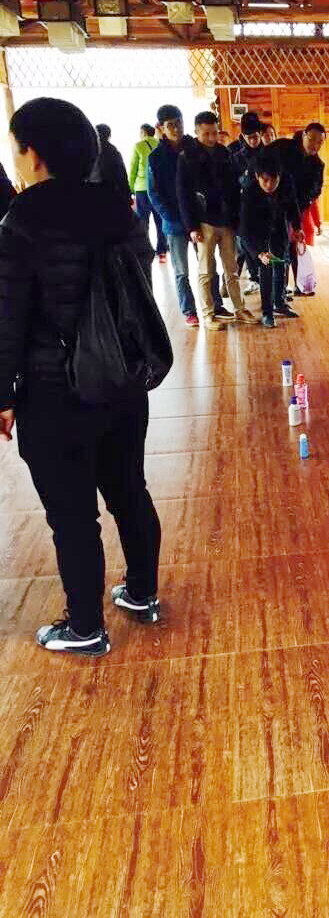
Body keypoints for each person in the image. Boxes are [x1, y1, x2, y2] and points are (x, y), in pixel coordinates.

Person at [0, 97, 162, 656]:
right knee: (129, 491)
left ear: (34, 153)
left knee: (72, 514)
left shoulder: (21, 220)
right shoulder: (116, 209)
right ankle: (141, 594)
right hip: (122, 381)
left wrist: (3, 394)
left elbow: (8, 316)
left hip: (54, 391)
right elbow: (139, 291)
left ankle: (85, 627)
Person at [177, 110, 253, 331]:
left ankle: (239, 308)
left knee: (232, 269)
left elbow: (234, 188)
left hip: (226, 220)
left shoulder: (224, 153)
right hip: (203, 222)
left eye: (215, 133)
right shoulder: (186, 157)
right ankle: (208, 314)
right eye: (206, 134)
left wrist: (236, 219)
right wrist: (191, 227)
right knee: (206, 271)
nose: (212, 138)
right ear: (196, 132)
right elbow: (183, 194)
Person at [147, 104, 201, 327]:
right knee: (181, 271)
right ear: (160, 128)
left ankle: (214, 305)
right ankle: (189, 311)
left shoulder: (195, 148)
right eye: (171, 125)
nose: (177, 129)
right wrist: (169, 216)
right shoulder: (156, 157)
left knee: (207, 267)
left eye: (179, 123)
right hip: (174, 222)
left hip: (198, 219)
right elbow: (153, 193)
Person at [239, 144, 301, 328]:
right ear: (257, 176)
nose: (269, 185)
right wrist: (258, 252)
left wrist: (297, 227)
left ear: (280, 177)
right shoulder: (249, 191)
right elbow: (244, 228)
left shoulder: (287, 183)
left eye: (274, 180)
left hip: (278, 226)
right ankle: (267, 312)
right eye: (265, 180)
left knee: (281, 263)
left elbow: (293, 205)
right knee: (266, 269)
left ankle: (280, 303)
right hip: (257, 232)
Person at [275, 122, 325, 292]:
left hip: (298, 211)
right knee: (280, 249)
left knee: (294, 248)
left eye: (320, 142)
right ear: (304, 135)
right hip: (277, 208)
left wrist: (304, 203)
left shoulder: (318, 164)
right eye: (312, 139)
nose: (315, 145)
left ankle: (299, 284)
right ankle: (280, 290)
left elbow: (316, 189)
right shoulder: (285, 150)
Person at [231, 113, 265, 292]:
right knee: (247, 244)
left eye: (256, 136)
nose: (253, 140)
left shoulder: (268, 153)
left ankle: (272, 282)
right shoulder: (236, 157)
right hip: (244, 207)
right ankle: (254, 278)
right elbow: (232, 183)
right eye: (249, 137)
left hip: (266, 206)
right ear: (243, 136)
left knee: (266, 244)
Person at [130, 123, 167, 264]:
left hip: (142, 189)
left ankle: (144, 250)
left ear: (143, 133)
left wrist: (130, 189)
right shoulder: (159, 144)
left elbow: (133, 169)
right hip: (158, 188)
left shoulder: (138, 146)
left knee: (143, 221)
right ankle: (162, 252)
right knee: (160, 220)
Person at [90, 122, 131, 204]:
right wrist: (127, 195)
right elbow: (122, 175)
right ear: (109, 136)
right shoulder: (113, 152)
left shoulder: (87, 149)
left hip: (89, 191)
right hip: (109, 191)